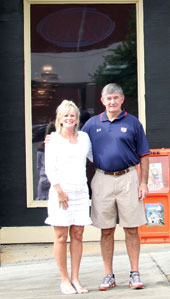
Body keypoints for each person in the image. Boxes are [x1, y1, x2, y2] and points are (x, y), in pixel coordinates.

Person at [81, 83, 149, 291]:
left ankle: (135, 273)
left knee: (131, 228)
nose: (112, 102)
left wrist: (144, 182)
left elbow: (144, 155)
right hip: (102, 179)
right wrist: (53, 139)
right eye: (108, 98)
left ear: (122, 99)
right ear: (102, 101)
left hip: (128, 178)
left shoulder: (133, 123)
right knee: (106, 230)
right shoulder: (92, 125)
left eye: (115, 98)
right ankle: (108, 275)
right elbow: (75, 143)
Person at [45, 100, 92, 295]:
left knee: (78, 235)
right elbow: (49, 168)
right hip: (61, 194)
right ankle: (64, 279)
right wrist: (60, 191)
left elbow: (94, 157)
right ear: (60, 119)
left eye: (72, 115)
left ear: (77, 118)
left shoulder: (84, 138)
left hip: (80, 193)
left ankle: (75, 278)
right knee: (61, 236)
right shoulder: (54, 140)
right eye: (65, 115)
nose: (69, 118)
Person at [36, 121, 55, 201]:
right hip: (57, 180)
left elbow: (39, 166)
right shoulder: (60, 146)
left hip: (44, 178)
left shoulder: (42, 148)